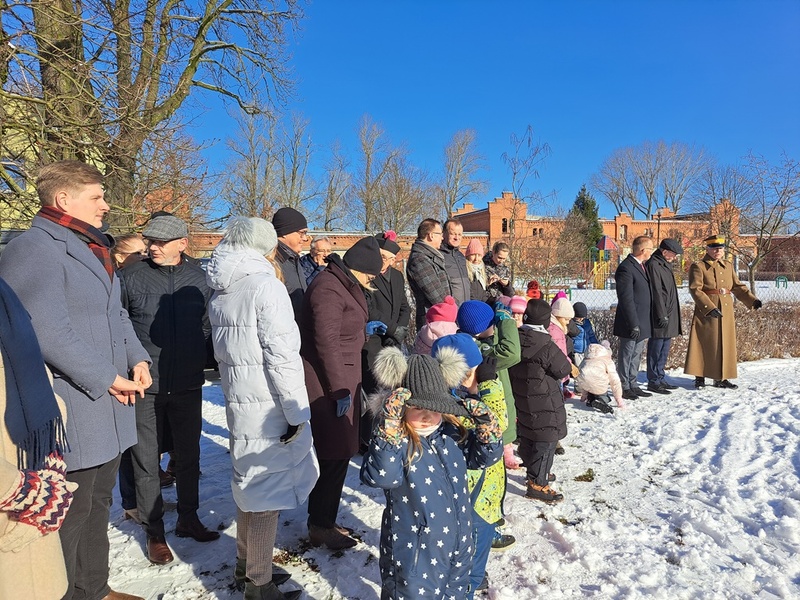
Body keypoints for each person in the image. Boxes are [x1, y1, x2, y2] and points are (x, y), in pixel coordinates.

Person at [0, 160, 150, 600]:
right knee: (71, 512)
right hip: (71, 403)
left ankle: (95, 588)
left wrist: (137, 359)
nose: (106, 204)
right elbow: (44, 329)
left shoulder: (91, 246)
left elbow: (116, 315)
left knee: (98, 503)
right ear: (64, 199)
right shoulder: (35, 248)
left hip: (107, 403)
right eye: (97, 196)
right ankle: (67, 593)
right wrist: (107, 377)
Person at [206, 217, 318, 600]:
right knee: (266, 494)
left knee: (249, 485)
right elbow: (283, 356)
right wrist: (297, 413)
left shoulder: (223, 288)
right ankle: (258, 581)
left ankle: (247, 565)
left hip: (241, 399)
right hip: (270, 402)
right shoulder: (265, 287)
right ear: (267, 247)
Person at [360, 346, 502, 600]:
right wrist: (388, 426)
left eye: (434, 408)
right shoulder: (397, 444)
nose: (427, 416)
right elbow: (381, 475)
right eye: (418, 408)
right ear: (401, 408)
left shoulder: (449, 437)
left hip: (456, 549)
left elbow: (485, 457)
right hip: (414, 559)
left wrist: (485, 422)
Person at [119, 213, 219, 566]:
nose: (153, 247)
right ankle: (154, 532)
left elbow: (208, 326)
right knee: (146, 462)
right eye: (151, 241)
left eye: (161, 242)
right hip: (145, 387)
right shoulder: (129, 277)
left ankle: (189, 519)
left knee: (189, 456)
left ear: (182, 243)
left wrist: (199, 360)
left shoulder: (200, 280)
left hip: (189, 384)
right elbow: (119, 328)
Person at [300, 236, 383, 550]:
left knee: (339, 453)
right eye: (370, 275)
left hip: (343, 378)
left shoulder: (342, 283)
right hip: (328, 384)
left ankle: (325, 518)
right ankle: (320, 524)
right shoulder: (328, 288)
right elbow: (327, 344)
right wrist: (338, 390)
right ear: (358, 268)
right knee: (333, 455)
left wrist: (364, 330)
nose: (372, 280)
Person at [0, 277, 77, 600]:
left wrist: (50, 467)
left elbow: (34, 380)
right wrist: (29, 493)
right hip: (14, 507)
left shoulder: (5, 298)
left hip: (31, 472)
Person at [431, 334, 512, 596]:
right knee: (467, 571)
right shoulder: (452, 412)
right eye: (473, 373)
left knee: (477, 558)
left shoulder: (464, 400)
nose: (477, 379)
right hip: (472, 506)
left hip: (484, 501)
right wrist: (488, 387)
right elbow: (496, 425)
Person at [508, 299, 572, 503]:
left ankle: (534, 472)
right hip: (545, 403)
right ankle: (538, 483)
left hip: (522, 399)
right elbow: (563, 369)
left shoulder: (515, 339)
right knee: (547, 441)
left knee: (529, 435)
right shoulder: (546, 344)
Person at [684, 235, 762, 390]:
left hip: (725, 309)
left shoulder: (727, 265)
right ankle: (699, 377)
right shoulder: (698, 266)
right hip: (706, 309)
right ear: (707, 249)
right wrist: (709, 307)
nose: (718, 251)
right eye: (714, 248)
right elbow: (695, 289)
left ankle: (722, 377)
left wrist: (752, 300)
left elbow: (737, 286)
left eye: (720, 248)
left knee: (725, 343)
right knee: (704, 342)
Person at [456, 300, 521, 475]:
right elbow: (511, 352)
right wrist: (506, 321)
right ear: (481, 330)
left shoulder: (472, 342)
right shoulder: (480, 353)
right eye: (493, 323)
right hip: (489, 423)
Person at [360, 231, 411, 449]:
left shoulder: (397, 276)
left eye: (390, 259)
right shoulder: (367, 275)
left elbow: (404, 307)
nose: (385, 262)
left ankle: (388, 432)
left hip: (392, 342)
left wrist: (400, 330)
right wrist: (392, 330)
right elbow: (369, 308)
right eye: (382, 257)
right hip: (373, 342)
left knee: (391, 391)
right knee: (371, 389)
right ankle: (366, 438)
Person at [613, 236, 655, 401]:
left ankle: (633, 383)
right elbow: (626, 298)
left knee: (636, 354)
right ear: (643, 250)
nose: (651, 252)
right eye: (650, 249)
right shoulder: (626, 268)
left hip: (642, 320)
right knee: (627, 354)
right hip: (630, 321)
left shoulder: (641, 266)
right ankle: (624, 386)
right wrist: (633, 323)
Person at [646, 238, 684, 394]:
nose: (674, 257)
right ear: (664, 251)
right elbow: (656, 292)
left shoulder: (664, 264)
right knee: (656, 347)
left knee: (664, 346)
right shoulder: (654, 264)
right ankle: (654, 380)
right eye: (673, 254)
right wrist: (661, 314)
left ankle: (660, 377)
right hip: (659, 314)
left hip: (668, 312)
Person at [406, 218, 451, 330]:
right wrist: (451, 309)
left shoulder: (430, 256)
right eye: (440, 234)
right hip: (432, 320)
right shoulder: (420, 260)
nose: (442, 237)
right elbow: (437, 296)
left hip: (441, 317)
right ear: (431, 235)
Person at [272, 207, 310, 320]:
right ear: (284, 233)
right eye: (302, 233)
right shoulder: (273, 263)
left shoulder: (293, 259)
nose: (305, 238)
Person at [576, 341, 625, 414]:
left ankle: (590, 399)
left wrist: (583, 396)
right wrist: (619, 399)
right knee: (604, 396)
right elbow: (615, 381)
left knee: (588, 382)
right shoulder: (607, 360)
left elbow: (581, 375)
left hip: (585, 383)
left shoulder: (586, 358)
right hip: (599, 385)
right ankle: (601, 400)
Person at [440, 218, 471, 305]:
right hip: (449, 309)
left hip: (464, 308)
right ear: (444, 234)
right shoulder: (439, 255)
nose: (457, 238)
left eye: (459, 234)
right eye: (453, 234)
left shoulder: (461, 256)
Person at [570, 302, 599, 369]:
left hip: (587, 350)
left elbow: (591, 336)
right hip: (576, 351)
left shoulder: (587, 323)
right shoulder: (571, 324)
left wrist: (596, 345)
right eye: (578, 318)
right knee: (579, 367)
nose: (580, 320)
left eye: (582, 318)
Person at [465, 238, 490, 303]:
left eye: (479, 255)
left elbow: (482, 294)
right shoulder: (464, 270)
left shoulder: (481, 272)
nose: (476, 259)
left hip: (480, 306)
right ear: (468, 256)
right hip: (471, 306)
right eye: (473, 255)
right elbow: (469, 294)